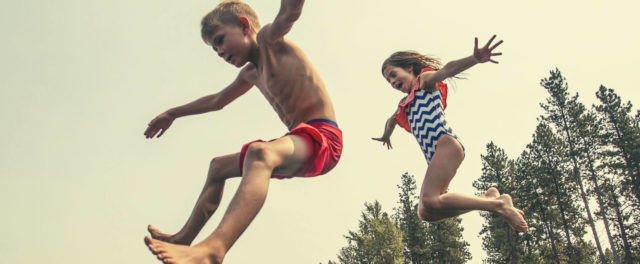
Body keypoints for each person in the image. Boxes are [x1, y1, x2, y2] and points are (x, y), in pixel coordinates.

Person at [143, 1, 342, 263]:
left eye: (220, 40)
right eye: (214, 49)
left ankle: (214, 249)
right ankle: (184, 239)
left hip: (324, 138)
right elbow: (218, 100)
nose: (219, 51)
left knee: (260, 153)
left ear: (244, 26)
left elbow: (289, 13)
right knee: (218, 167)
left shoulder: (270, 41)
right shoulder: (250, 74)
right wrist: (173, 113)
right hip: (299, 141)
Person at [373, 35, 528, 233]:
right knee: (426, 211)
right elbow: (391, 121)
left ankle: (500, 205)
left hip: (445, 143)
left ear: (409, 68)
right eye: (389, 80)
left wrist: (474, 59)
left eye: (394, 74)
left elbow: (446, 70)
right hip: (436, 154)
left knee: (429, 199)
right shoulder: (404, 105)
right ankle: (488, 200)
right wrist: (386, 135)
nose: (393, 81)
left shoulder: (424, 82)